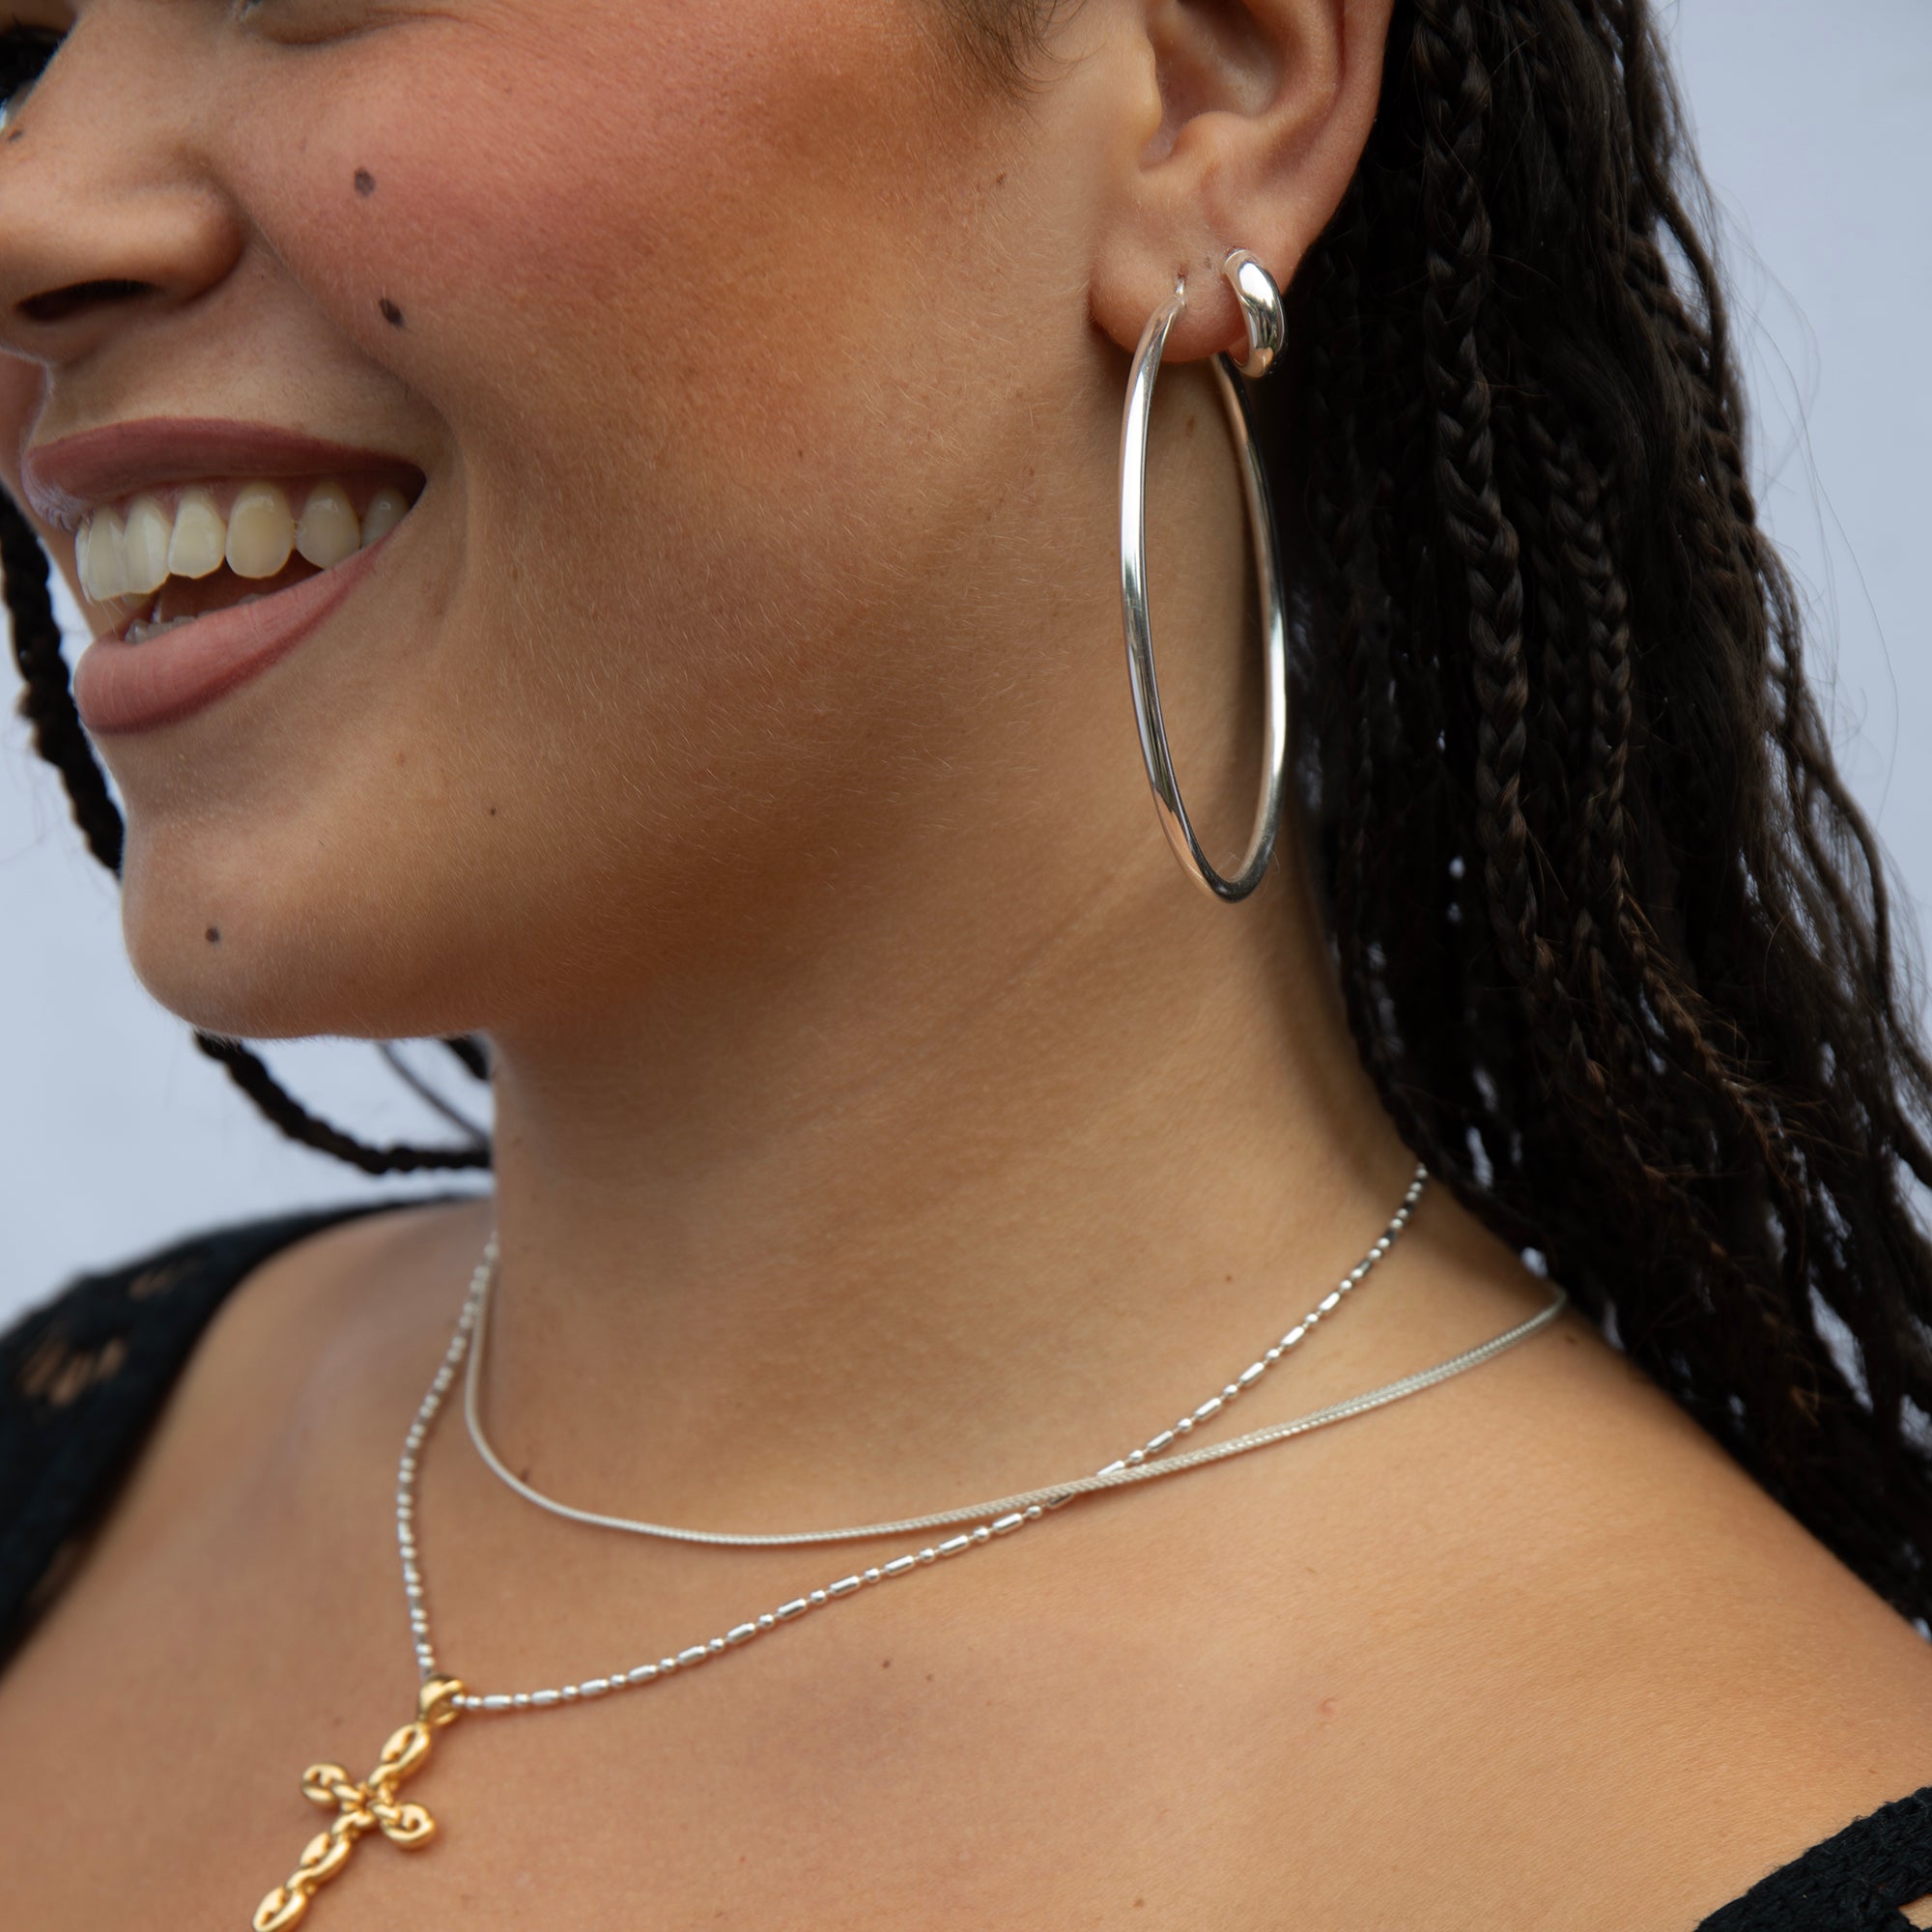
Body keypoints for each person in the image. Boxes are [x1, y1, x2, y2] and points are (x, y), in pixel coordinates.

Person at [3, 0, 1930, 1923]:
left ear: (1209, 88)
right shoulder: (65, 1459)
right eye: (14, 53)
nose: (31, 207)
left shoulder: (1717, 1842)